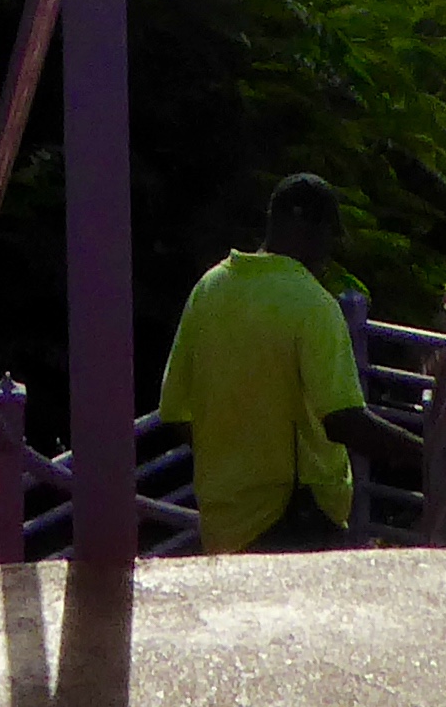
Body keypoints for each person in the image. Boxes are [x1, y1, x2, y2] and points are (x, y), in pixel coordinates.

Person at [154, 173, 425, 553]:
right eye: (329, 239)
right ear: (313, 232)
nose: (327, 255)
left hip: (223, 522)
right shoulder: (313, 304)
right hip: (294, 517)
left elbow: (174, 411)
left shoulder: (209, 289)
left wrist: (233, 461)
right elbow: (343, 420)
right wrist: (427, 453)